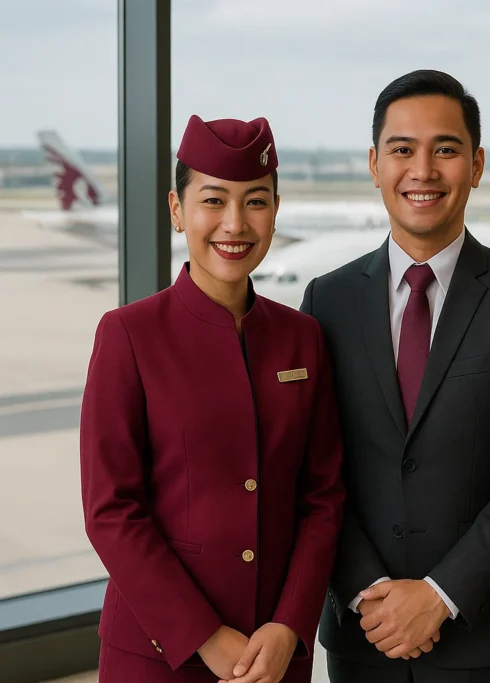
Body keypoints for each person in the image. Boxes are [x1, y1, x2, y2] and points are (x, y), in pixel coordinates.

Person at [300, 69, 490, 683]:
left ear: (476, 165)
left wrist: (440, 594)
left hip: (479, 636)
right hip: (360, 633)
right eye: (402, 150)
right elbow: (316, 469)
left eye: (445, 149)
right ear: (374, 164)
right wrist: (368, 589)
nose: (422, 170)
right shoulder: (328, 301)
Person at [79, 115, 346, 683]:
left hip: (273, 653)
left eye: (255, 202)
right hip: (157, 652)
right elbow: (111, 512)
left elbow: (322, 497)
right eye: (213, 200)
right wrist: (203, 636)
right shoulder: (128, 334)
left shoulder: (303, 337)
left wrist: (290, 625)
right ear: (177, 209)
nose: (234, 223)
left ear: (276, 210)